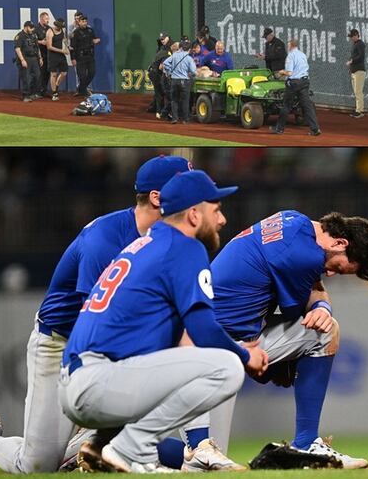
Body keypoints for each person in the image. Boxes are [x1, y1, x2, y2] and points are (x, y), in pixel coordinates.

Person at [0, 157, 195, 475]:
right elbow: (96, 328)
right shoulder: (104, 241)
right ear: (157, 197)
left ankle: (92, 443)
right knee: (36, 466)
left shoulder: (173, 241)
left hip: (113, 348)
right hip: (61, 344)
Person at [57, 170, 261, 474]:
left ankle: (109, 445)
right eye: (216, 209)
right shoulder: (184, 246)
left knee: (177, 357)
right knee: (227, 367)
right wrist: (246, 355)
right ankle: (130, 449)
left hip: (80, 381)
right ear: (194, 214)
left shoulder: (150, 243)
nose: (222, 220)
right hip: (98, 381)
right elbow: (204, 330)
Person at [184, 210, 368, 470]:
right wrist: (319, 310)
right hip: (214, 346)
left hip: (223, 337)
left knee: (206, 457)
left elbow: (313, 291)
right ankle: (301, 446)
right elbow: (305, 305)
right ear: (340, 243)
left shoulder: (293, 220)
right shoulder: (304, 256)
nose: (330, 274)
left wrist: (322, 308)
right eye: (338, 268)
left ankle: (303, 443)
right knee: (202, 458)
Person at [271, 39, 321, 136]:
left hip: (294, 83)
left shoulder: (291, 56)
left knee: (286, 105)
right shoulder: (302, 55)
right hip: (305, 81)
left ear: (291, 46)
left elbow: (289, 72)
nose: (287, 47)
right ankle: (315, 129)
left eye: (288, 45)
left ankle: (279, 129)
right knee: (307, 106)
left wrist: (281, 72)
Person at [163, 40, 198, 124]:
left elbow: (165, 63)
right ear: (189, 49)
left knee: (174, 100)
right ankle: (185, 119)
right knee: (185, 100)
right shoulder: (189, 58)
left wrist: (170, 72)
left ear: (181, 47)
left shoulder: (174, 55)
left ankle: (175, 118)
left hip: (174, 80)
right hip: (184, 81)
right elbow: (193, 71)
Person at [69, 11, 100, 97]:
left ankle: (81, 89)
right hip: (80, 57)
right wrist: (73, 58)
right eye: (83, 21)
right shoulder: (75, 32)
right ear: (79, 22)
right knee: (81, 76)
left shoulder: (90, 30)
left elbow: (94, 39)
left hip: (90, 56)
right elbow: (72, 47)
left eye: (86, 21)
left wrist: (96, 40)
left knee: (92, 73)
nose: (85, 23)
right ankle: (83, 91)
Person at [14, 21, 43, 102]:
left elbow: (37, 47)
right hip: (25, 58)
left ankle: (33, 93)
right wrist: (22, 60)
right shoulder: (20, 36)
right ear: (26, 27)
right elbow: (17, 49)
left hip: (34, 58)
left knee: (37, 76)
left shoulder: (33, 35)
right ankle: (26, 95)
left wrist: (40, 58)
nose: (32, 29)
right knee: (26, 78)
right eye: (31, 27)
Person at [148, 33, 173, 119]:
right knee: (160, 93)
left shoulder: (166, 48)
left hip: (156, 71)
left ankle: (159, 110)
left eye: (163, 39)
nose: (162, 41)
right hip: (155, 72)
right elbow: (161, 67)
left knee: (161, 92)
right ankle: (159, 112)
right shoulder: (166, 50)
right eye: (161, 39)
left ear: (168, 38)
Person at [47, 19, 70, 101]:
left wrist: (67, 46)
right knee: (53, 74)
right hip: (53, 56)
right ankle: (54, 93)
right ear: (56, 25)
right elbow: (49, 46)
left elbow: (64, 39)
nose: (60, 28)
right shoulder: (50, 31)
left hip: (61, 55)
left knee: (64, 72)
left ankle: (56, 85)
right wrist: (62, 51)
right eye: (60, 26)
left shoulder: (63, 30)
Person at [347, 28, 366, 117]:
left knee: (358, 92)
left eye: (352, 36)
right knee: (356, 92)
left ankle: (360, 111)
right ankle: (358, 109)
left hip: (359, 71)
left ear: (356, 35)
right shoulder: (355, 44)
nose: (350, 38)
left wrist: (352, 61)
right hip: (354, 71)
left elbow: (361, 56)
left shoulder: (360, 44)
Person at [36, 11, 54, 97]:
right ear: (41, 18)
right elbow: (32, 40)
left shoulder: (49, 29)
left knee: (47, 73)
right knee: (40, 73)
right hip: (39, 55)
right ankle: (37, 91)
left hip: (48, 55)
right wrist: (41, 42)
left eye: (48, 19)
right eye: (46, 19)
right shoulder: (35, 28)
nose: (48, 20)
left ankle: (44, 90)